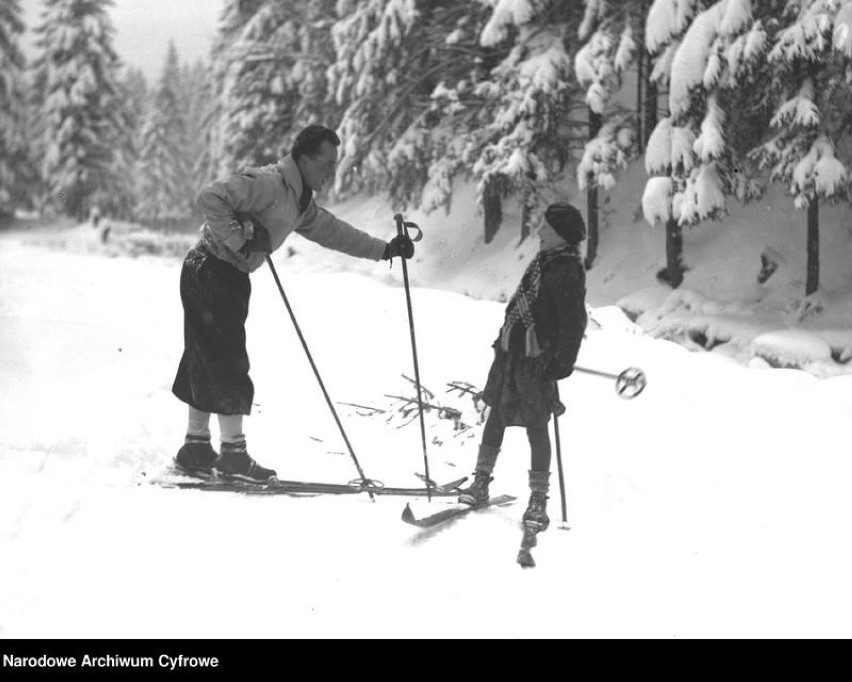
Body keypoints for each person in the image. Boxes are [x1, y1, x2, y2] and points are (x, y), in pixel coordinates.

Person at [171, 125, 414, 482]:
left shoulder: (299, 201)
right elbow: (211, 197)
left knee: (207, 358)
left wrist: (385, 250)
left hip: (220, 274)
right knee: (226, 362)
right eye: (326, 164)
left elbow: (333, 231)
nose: (332, 172)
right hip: (212, 270)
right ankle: (233, 456)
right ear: (304, 160)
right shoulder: (270, 183)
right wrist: (241, 242)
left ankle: (195, 449)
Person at [458, 202, 588, 532]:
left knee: (536, 428)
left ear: (560, 235)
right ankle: (481, 482)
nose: (540, 231)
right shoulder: (543, 261)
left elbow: (573, 324)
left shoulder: (567, 270)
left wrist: (561, 365)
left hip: (536, 365)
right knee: (497, 417)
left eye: (546, 227)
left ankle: (538, 501)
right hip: (511, 357)